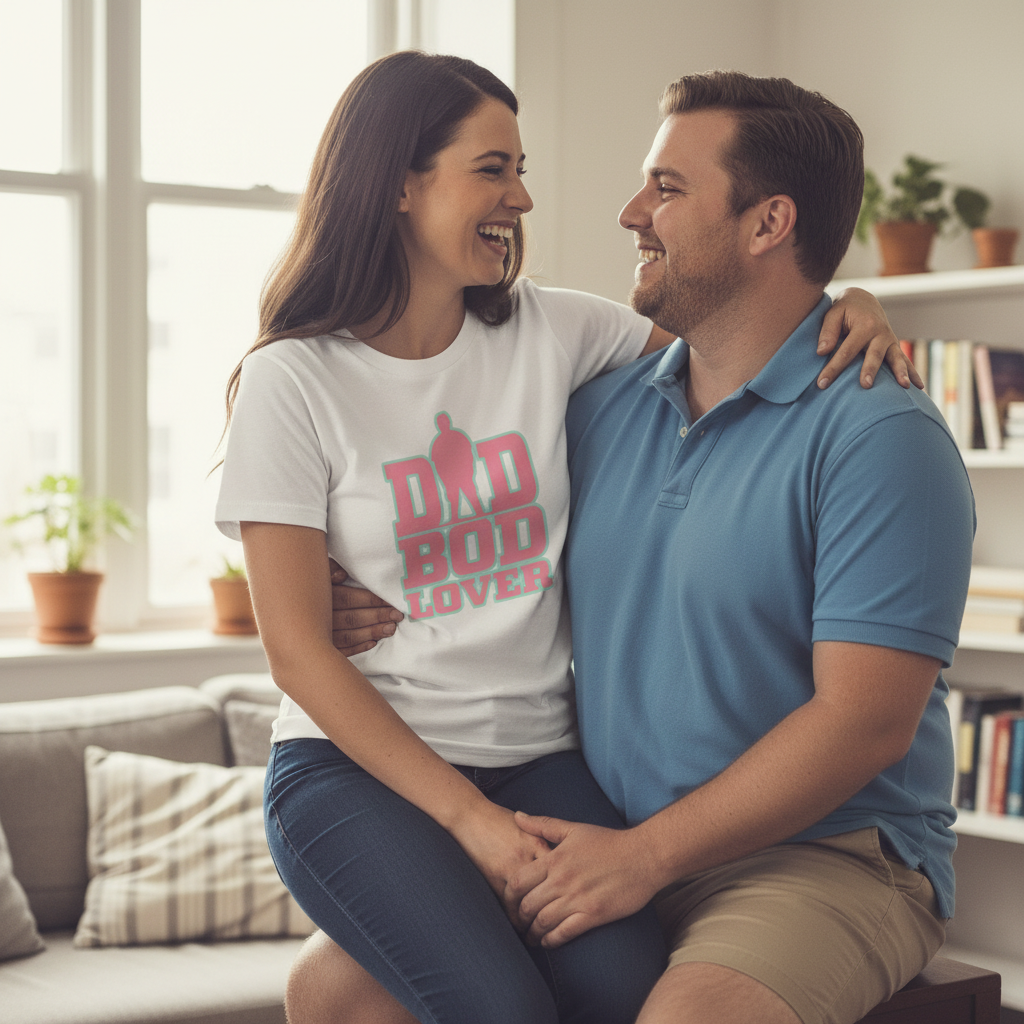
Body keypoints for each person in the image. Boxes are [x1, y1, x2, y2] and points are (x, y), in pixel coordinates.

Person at [215, 52, 917, 1024]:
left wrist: (853, 305)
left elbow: (746, 335)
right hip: (368, 774)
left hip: (536, 763)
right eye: (492, 169)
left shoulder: (554, 337)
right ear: (398, 186)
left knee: (618, 990)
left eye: (520, 166)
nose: (526, 196)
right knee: (493, 1007)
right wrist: (474, 826)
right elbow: (293, 643)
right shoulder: (294, 378)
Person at [495, 72, 976, 1024]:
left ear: (769, 224)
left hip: (823, 858)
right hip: (609, 829)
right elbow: (445, 499)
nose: (631, 212)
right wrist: (342, 584)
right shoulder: (598, 407)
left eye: (667, 189)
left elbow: (864, 724)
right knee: (338, 988)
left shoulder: (883, 437)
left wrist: (642, 860)